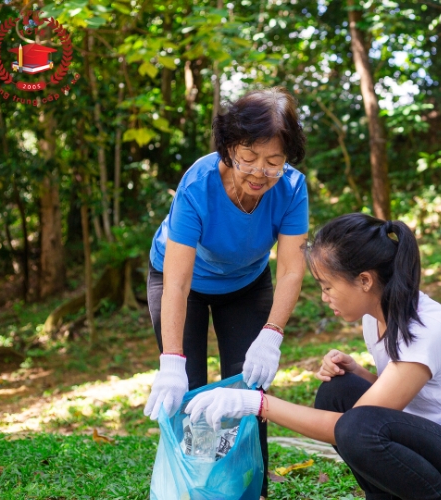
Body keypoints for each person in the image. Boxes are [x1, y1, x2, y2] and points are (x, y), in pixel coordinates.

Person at [184, 213, 441, 500]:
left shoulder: (423, 326)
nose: (324, 296)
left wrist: (255, 404)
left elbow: (354, 427)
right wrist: (360, 372)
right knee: (336, 391)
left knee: (356, 427)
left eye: (327, 286)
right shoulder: (374, 319)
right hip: (437, 451)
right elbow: (407, 400)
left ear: (364, 280)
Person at [142, 87, 309, 498]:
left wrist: (272, 333)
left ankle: (253, 488)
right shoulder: (198, 183)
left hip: (246, 283)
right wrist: (171, 360)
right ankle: (195, 490)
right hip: (182, 283)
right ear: (228, 148)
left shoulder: (291, 188)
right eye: (248, 158)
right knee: (188, 387)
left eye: (273, 162)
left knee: (249, 389)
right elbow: (177, 282)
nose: (259, 173)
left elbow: (290, 268)